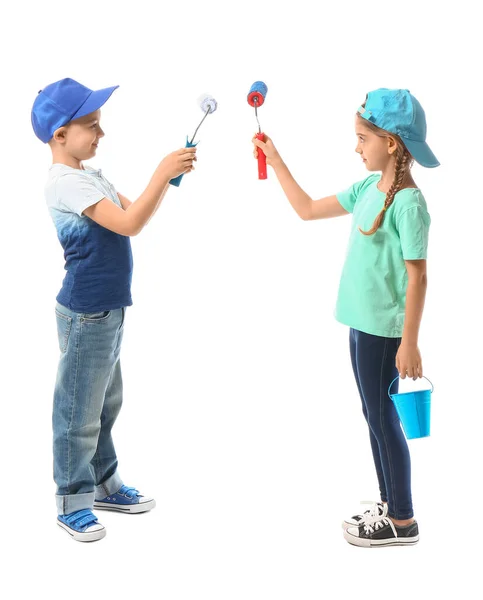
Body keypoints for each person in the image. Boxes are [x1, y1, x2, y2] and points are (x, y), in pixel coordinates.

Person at [252, 88, 439, 548]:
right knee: (373, 416)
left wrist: (409, 342)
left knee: (383, 420)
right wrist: (274, 160)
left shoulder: (408, 204)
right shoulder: (365, 190)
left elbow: (418, 279)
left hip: (384, 333)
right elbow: (307, 209)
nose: (356, 147)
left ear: (391, 143)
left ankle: (403, 521)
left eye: (362, 138)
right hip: (358, 323)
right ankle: (390, 501)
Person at [31, 78, 197, 542]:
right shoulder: (65, 183)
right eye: (91, 125)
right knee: (77, 412)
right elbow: (128, 221)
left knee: (104, 404)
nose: (100, 134)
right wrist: (161, 173)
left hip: (107, 310)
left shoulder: (89, 176)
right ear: (59, 135)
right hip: (86, 312)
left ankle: (104, 484)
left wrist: (166, 180)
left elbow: (132, 219)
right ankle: (71, 499)